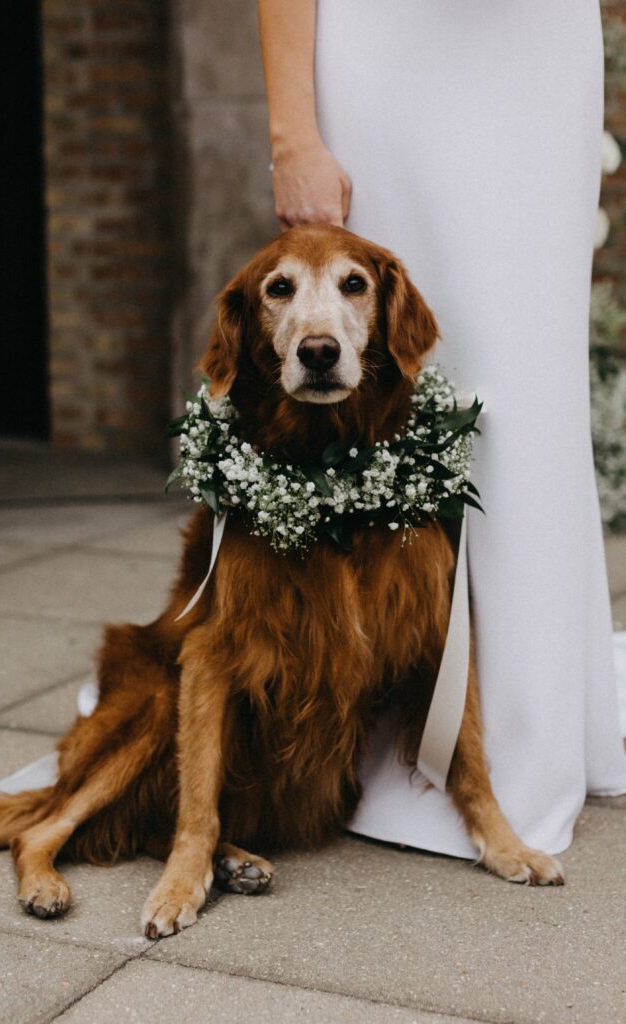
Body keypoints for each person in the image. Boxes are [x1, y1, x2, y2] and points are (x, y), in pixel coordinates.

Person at [257, 0, 626, 858]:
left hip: (536, 57)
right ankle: (380, 721)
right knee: (397, 376)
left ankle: (535, 726)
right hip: (383, 55)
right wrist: (292, 136)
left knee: (527, 394)